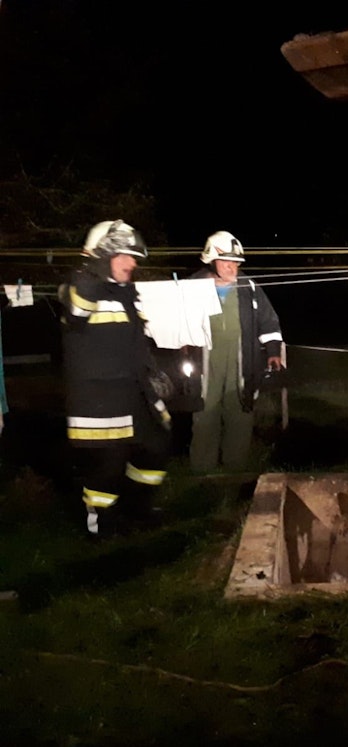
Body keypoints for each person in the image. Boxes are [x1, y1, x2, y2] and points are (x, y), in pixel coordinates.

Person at [60, 220, 171, 537]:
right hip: (99, 402)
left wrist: (154, 374)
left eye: (133, 257)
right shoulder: (77, 287)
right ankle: (100, 524)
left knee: (156, 448)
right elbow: (78, 310)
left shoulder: (126, 293)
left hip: (134, 393)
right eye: (124, 255)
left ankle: (137, 508)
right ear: (102, 254)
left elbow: (136, 343)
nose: (132, 263)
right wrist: (94, 266)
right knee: (108, 467)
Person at [188, 231, 285, 472]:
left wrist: (273, 351)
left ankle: (235, 468)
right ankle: (202, 469)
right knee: (204, 413)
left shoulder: (249, 288)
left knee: (240, 411)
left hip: (242, 359)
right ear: (212, 261)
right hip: (205, 361)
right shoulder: (192, 287)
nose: (232, 267)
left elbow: (268, 320)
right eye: (226, 262)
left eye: (236, 262)